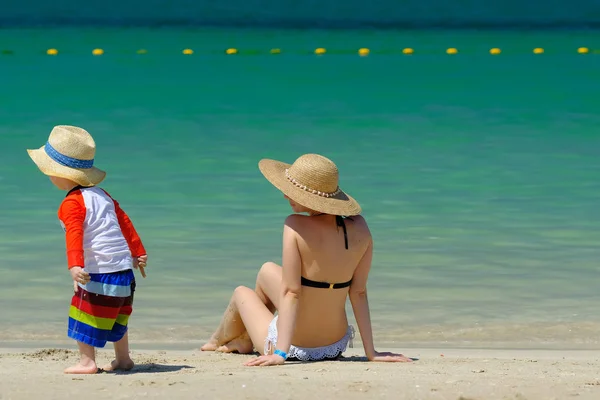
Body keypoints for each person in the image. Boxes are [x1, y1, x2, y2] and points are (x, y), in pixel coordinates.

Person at [201, 153, 412, 366]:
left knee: (241, 293)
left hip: (294, 345)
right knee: (267, 270)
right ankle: (245, 338)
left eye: (291, 191)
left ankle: (218, 339)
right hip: (334, 345)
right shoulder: (361, 227)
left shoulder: (294, 225)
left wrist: (280, 354)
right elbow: (358, 292)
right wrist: (371, 352)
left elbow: (292, 292)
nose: (285, 196)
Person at [27, 125, 148, 374]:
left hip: (99, 271)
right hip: (124, 271)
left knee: (83, 315)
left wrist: (75, 265)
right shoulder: (103, 195)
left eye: (50, 172)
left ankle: (87, 362)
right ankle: (123, 359)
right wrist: (138, 251)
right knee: (118, 316)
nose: (49, 177)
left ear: (63, 174)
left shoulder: (72, 203)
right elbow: (124, 222)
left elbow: (75, 234)